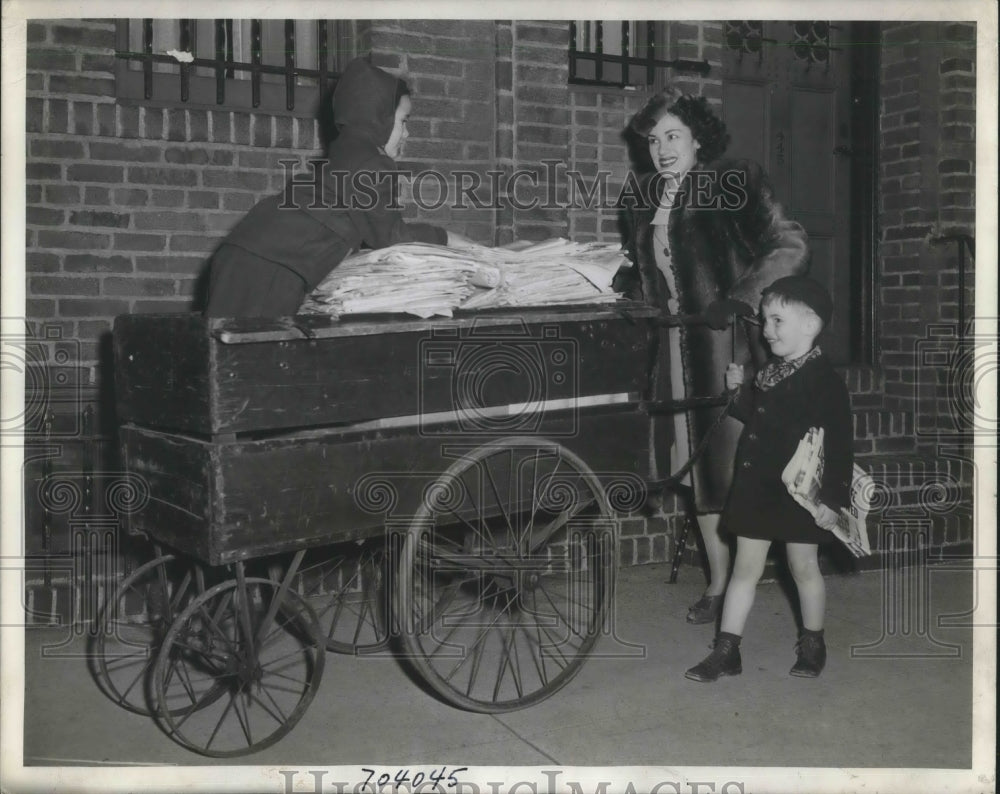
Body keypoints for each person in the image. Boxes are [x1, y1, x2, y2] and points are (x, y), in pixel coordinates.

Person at [613, 86, 809, 624]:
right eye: (653, 141)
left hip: (726, 348)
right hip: (669, 353)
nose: (662, 149)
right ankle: (721, 583)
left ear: (699, 139)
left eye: (673, 136)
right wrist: (626, 288)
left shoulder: (733, 182)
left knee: (728, 469)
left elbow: (788, 245)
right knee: (698, 474)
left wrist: (741, 298)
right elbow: (641, 267)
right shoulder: (642, 197)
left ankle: (747, 578)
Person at [205, 57, 473, 317]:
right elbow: (391, 236)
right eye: (403, 121)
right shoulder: (373, 161)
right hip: (270, 264)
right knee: (254, 353)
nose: (406, 134)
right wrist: (446, 238)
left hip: (248, 252)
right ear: (378, 118)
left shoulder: (347, 150)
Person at [684, 276, 853, 682]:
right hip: (757, 488)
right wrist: (738, 393)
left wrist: (832, 500)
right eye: (764, 320)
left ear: (810, 326)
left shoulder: (825, 381)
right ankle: (726, 651)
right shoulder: (769, 373)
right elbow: (758, 419)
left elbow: (841, 446)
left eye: (777, 320)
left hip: (798, 495)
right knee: (745, 570)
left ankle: (813, 642)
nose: (766, 329)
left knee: (803, 567)